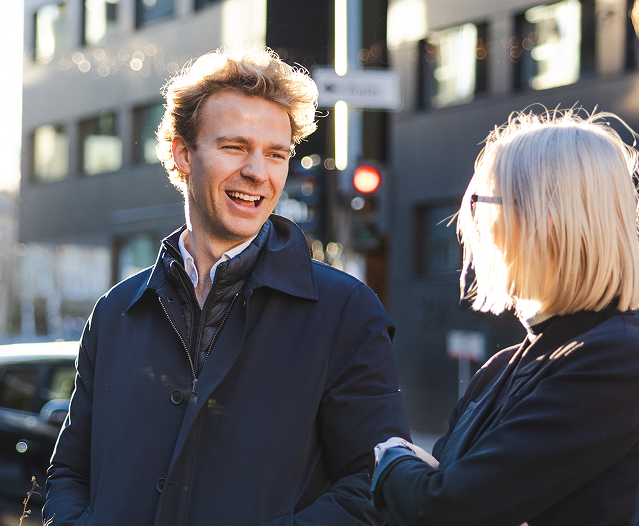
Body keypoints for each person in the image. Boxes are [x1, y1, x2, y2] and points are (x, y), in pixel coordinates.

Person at [44, 47, 410, 526]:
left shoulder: (347, 311)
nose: (258, 172)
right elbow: (70, 471)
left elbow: (374, 484)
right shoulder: (115, 312)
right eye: (235, 147)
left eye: (276, 154)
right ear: (182, 155)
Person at [369, 108, 639, 526]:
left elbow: (445, 508)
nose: (476, 225)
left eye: (484, 204)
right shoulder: (502, 367)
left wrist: (390, 460)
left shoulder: (618, 361)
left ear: (549, 219)